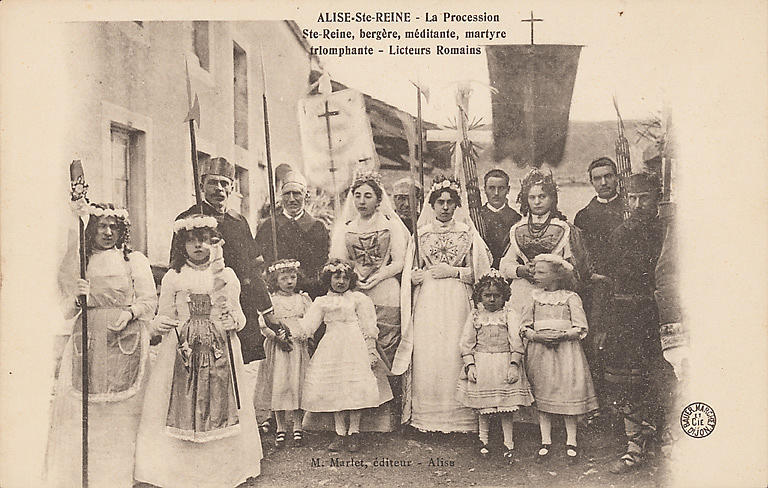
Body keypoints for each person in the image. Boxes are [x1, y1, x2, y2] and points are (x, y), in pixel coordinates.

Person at [134, 215, 261, 487]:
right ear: (183, 246)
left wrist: (232, 321)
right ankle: (180, 468)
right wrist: (161, 323)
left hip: (218, 349)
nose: (199, 246)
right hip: (182, 349)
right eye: (192, 241)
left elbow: (240, 316)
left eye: (204, 240)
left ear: (213, 243)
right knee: (178, 403)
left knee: (219, 403)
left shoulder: (225, 275)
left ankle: (220, 468)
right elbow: (163, 315)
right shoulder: (174, 277)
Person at [47, 203, 156, 488]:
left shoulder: (134, 261)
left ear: (122, 231)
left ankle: (124, 474)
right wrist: (77, 297)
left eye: (114, 227)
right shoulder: (80, 263)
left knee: (124, 411)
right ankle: (90, 474)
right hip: (89, 339)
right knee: (88, 409)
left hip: (126, 336)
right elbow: (66, 312)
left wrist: (130, 313)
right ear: (91, 229)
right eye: (101, 226)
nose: (108, 232)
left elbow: (148, 301)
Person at [393, 174, 492, 433]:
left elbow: (482, 273)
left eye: (450, 202)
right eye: (440, 202)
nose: (445, 207)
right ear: (432, 204)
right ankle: (427, 419)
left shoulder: (468, 233)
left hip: (458, 300)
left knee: (453, 351)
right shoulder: (420, 234)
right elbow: (409, 272)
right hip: (429, 301)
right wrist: (415, 277)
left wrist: (456, 272)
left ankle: (461, 420)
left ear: (457, 205)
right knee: (430, 352)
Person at [602, 173, 675, 474]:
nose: (637, 203)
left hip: (659, 312)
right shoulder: (619, 233)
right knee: (628, 379)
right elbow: (609, 279)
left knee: (663, 374)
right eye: (632, 198)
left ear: (656, 197)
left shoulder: (667, 231)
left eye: (643, 197)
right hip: (626, 313)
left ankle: (669, 436)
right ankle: (634, 445)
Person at [172, 156, 278, 363]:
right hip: (203, 308)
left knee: (238, 368)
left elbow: (254, 271)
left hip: (240, 305)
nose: (219, 188)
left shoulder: (238, 221)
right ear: (201, 185)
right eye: (212, 182)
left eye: (224, 183)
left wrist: (267, 311)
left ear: (231, 188)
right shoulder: (188, 220)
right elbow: (176, 268)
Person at [327, 171, 408, 431]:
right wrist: (354, 276)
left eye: (368, 196)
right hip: (355, 291)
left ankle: (387, 413)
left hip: (385, 290)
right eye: (358, 196)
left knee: (385, 347)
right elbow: (338, 261)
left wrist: (376, 276)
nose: (362, 201)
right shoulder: (346, 228)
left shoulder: (391, 225)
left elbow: (399, 261)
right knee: (356, 350)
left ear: (378, 199)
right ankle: (361, 413)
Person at [294, 259, 393, 452]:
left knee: (354, 387)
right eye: (336, 277)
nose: (340, 281)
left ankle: (354, 431)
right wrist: (291, 325)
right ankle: (340, 432)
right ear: (328, 279)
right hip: (332, 345)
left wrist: (371, 348)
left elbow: (368, 325)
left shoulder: (358, 299)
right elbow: (308, 327)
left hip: (355, 344)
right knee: (335, 388)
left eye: (345, 277)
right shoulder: (322, 302)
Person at [520, 254, 598, 465]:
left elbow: (581, 326)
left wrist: (562, 336)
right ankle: (545, 441)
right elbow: (524, 326)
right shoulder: (533, 297)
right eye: (535, 271)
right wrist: (537, 336)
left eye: (541, 272)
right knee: (543, 392)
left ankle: (571, 441)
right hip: (540, 351)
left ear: (556, 275)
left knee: (566, 392)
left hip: (565, 351)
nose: (535, 275)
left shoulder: (571, 297)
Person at [456, 270, 533, 463]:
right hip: (483, 364)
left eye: (496, 296)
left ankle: (509, 442)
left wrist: (514, 365)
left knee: (506, 407)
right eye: (487, 295)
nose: (491, 300)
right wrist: (470, 365)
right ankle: (483, 441)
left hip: (503, 363)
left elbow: (516, 341)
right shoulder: (475, 316)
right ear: (479, 296)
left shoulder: (509, 314)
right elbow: (467, 343)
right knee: (484, 407)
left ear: (504, 296)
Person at [499, 168, 591, 316]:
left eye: (542, 196)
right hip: (522, 292)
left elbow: (573, 267)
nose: (537, 202)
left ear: (552, 198)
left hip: (554, 294)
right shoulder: (518, 228)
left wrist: (551, 272)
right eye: (532, 197)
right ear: (525, 200)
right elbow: (505, 264)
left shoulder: (565, 228)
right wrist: (521, 270)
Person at [573, 157, 625, 416]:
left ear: (617, 177)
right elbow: (581, 257)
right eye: (598, 178)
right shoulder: (584, 216)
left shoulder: (628, 210)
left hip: (626, 288)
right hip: (596, 291)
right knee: (596, 344)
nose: (604, 182)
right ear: (590, 181)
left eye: (608, 176)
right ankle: (601, 409)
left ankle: (627, 409)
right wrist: (594, 276)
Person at [253, 259, 311, 448]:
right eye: (284, 278)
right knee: (279, 384)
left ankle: (298, 426)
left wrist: (304, 333)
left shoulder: (302, 299)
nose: (289, 282)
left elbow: (310, 321)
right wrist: (276, 336)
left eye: (292, 277)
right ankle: (280, 427)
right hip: (277, 347)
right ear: (275, 280)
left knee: (297, 384)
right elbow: (262, 325)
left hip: (297, 347)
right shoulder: (272, 300)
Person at [254, 170, 330, 298]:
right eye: (286, 194)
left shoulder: (317, 227)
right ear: (281, 197)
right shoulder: (268, 226)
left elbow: (322, 264)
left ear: (306, 196)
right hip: (276, 294)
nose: (291, 199)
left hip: (310, 293)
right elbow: (258, 262)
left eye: (296, 194)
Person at [479, 169, 522, 269]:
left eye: (501, 188)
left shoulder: (516, 219)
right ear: (485, 189)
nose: (496, 193)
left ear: (508, 190)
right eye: (491, 188)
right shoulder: (476, 217)